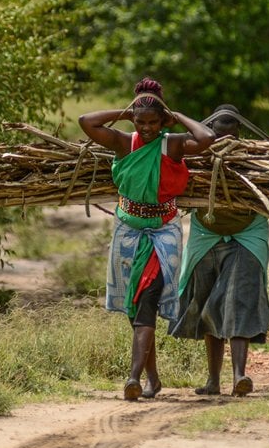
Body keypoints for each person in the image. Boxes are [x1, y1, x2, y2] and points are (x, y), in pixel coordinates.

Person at [79, 78, 215, 401]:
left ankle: (133, 378)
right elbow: (86, 122)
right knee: (135, 307)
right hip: (127, 232)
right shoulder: (125, 142)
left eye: (154, 122)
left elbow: (207, 137)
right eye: (142, 122)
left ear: (162, 119)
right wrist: (126, 114)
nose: (148, 128)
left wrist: (176, 116)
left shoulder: (172, 144)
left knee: (148, 299)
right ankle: (152, 377)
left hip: (162, 234)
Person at [170, 105, 269, 397]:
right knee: (206, 303)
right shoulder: (196, 155)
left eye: (231, 133)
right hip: (206, 234)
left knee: (239, 299)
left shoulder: (257, 158)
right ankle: (214, 380)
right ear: (210, 131)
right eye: (218, 133)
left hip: (247, 234)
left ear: (239, 133)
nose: (225, 139)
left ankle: (240, 375)